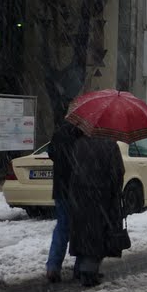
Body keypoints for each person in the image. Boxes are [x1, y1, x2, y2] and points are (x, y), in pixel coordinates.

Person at [68, 135, 126, 287]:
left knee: (84, 233)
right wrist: (115, 191)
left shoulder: (79, 143)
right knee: (98, 235)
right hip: (102, 197)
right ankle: (88, 272)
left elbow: (72, 168)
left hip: (80, 196)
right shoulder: (110, 144)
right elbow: (118, 172)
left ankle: (81, 269)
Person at [45, 119, 83, 282]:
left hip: (61, 188)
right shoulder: (85, 135)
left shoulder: (59, 133)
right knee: (83, 228)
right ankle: (81, 267)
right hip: (81, 189)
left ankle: (53, 266)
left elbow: (51, 153)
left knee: (62, 227)